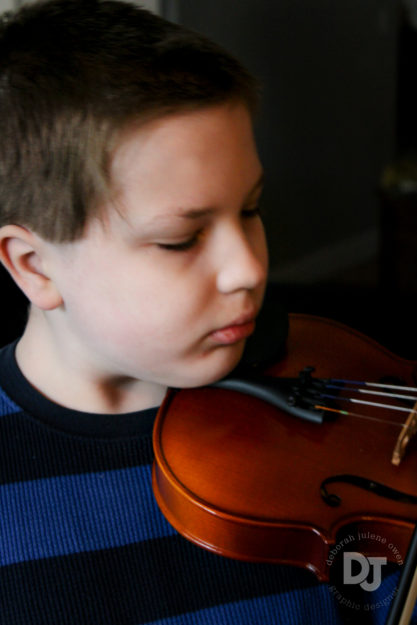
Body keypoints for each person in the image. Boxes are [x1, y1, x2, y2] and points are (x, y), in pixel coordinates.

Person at [0, 1, 406, 624]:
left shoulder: (339, 432)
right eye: (180, 240)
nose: (249, 267)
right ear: (35, 266)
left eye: (251, 209)